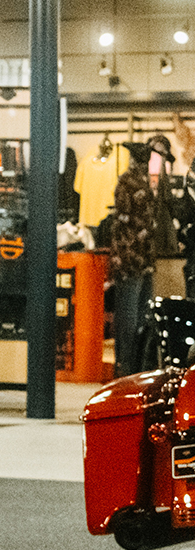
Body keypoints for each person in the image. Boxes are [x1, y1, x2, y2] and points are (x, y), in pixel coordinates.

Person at [109, 141, 156, 375]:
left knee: (134, 316)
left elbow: (121, 222)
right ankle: (127, 368)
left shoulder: (128, 182)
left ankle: (129, 367)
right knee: (133, 317)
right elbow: (123, 222)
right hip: (136, 258)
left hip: (136, 258)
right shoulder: (132, 183)